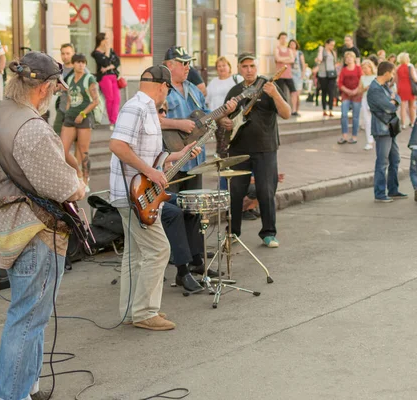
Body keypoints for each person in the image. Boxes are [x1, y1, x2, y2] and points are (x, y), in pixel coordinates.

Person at [0, 51, 85, 400]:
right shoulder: (32, 128)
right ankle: (9, 396)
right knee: (27, 318)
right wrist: (80, 184)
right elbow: (64, 187)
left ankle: (29, 386)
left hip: (7, 229)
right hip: (36, 231)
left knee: (31, 316)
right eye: (54, 89)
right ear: (44, 89)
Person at [108, 64, 204, 330]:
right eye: (167, 90)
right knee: (159, 249)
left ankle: (132, 311)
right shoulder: (136, 107)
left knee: (136, 254)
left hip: (139, 191)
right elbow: (117, 145)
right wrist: (149, 170)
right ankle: (145, 312)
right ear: (162, 86)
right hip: (132, 193)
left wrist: (177, 154)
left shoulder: (148, 110)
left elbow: (150, 155)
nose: (167, 95)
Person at [220, 53, 291, 248]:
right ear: (239, 69)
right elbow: (224, 117)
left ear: (257, 67)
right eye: (245, 66)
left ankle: (269, 233)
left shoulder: (268, 86)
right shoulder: (234, 90)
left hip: (265, 148)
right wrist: (225, 121)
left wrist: (274, 94)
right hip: (239, 149)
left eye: (252, 66)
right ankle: (233, 232)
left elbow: (286, 113)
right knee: (234, 192)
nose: (249, 70)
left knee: (266, 191)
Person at [160, 46, 210, 191]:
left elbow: (206, 114)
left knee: (194, 209)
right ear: (170, 65)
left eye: (189, 63)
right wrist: (179, 125)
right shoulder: (162, 90)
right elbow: (151, 121)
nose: (188, 67)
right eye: (184, 63)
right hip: (172, 161)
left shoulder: (194, 89)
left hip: (196, 160)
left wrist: (223, 113)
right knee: (173, 207)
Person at [367, 61, 407, 203]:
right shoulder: (375, 89)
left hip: (390, 128)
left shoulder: (384, 86)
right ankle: (379, 193)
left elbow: (397, 98)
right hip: (382, 129)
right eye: (393, 72)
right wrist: (393, 101)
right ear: (386, 73)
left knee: (395, 159)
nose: (393, 75)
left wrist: (394, 100)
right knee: (382, 162)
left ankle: (393, 190)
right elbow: (389, 107)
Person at [60, 53, 99, 192]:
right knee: (62, 150)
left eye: (83, 62)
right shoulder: (70, 78)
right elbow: (70, 99)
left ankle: (85, 180)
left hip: (84, 117)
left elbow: (96, 101)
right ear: (73, 64)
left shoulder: (89, 79)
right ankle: (78, 173)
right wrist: (67, 113)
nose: (81, 65)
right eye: (78, 62)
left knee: (84, 152)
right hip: (70, 117)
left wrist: (82, 114)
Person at [92, 32, 121, 128]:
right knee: (110, 98)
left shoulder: (111, 50)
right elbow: (105, 62)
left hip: (113, 76)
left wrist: (108, 68)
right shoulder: (96, 53)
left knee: (117, 98)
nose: (108, 41)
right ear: (102, 41)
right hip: (104, 78)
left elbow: (117, 62)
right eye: (106, 39)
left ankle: (115, 120)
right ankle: (112, 121)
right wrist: (107, 51)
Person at [337, 51, 362, 145]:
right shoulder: (343, 70)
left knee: (355, 116)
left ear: (354, 58)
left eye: (350, 57)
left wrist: (356, 90)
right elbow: (340, 83)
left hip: (357, 94)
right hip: (345, 94)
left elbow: (361, 80)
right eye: (347, 57)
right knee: (344, 114)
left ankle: (354, 136)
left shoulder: (358, 69)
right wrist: (347, 90)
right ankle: (344, 135)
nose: (348, 59)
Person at [53, 43, 75, 134]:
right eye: (63, 54)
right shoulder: (58, 70)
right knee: (56, 135)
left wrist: (69, 89)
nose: (65, 56)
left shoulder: (80, 68)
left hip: (76, 109)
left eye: (68, 53)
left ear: (73, 53)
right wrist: (56, 89)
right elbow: (54, 91)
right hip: (62, 109)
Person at [274, 32, 297, 111]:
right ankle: (281, 110)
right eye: (282, 38)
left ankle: (293, 110)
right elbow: (277, 59)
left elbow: (292, 60)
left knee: (293, 92)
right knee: (280, 93)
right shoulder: (277, 48)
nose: (283, 40)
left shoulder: (289, 50)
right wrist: (287, 59)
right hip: (279, 75)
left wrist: (282, 59)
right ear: (279, 39)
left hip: (288, 75)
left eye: (285, 38)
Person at [395, 52, 417, 129]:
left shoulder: (398, 68)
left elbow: (396, 80)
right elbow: (415, 79)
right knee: (411, 106)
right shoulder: (410, 67)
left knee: (403, 107)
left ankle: (403, 124)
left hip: (401, 87)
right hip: (409, 87)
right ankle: (412, 122)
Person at [315, 38, 337, 117]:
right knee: (324, 92)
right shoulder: (322, 51)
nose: (332, 46)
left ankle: (330, 110)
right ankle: (324, 110)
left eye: (333, 45)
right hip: (323, 74)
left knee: (331, 92)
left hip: (331, 75)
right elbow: (319, 60)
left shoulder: (333, 52)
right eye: (331, 45)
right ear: (326, 44)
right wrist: (321, 50)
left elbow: (334, 63)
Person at [359, 59, 377, 150]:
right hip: (365, 99)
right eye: (363, 68)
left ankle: (378, 138)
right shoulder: (362, 78)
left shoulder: (376, 77)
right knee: (367, 121)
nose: (364, 70)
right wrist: (365, 88)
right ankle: (369, 141)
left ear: (370, 68)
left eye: (366, 68)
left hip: (374, 100)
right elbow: (359, 90)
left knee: (376, 120)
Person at [288, 39, 304, 116]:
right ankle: (293, 110)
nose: (292, 45)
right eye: (291, 44)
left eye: (293, 44)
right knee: (293, 93)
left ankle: (297, 109)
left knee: (297, 94)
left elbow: (303, 64)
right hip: (290, 74)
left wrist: (303, 74)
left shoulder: (299, 53)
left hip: (298, 75)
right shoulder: (288, 52)